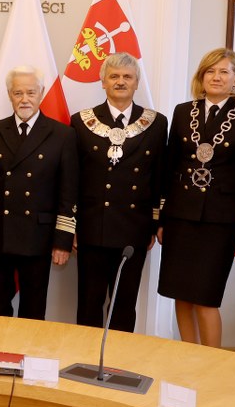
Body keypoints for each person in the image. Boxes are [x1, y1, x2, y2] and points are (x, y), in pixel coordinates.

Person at [157, 48, 235, 348]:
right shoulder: (183, 111)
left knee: (206, 298)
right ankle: (188, 356)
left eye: (224, 71)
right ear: (201, 77)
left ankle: (211, 363)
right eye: (210, 71)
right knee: (180, 294)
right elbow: (170, 168)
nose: (216, 77)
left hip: (221, 221)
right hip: (180, 216)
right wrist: (162, 220)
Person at [0, 67, 77, 320]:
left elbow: (68, 192)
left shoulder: (62, 134)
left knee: (33, 311)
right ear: (9, 95)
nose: (24, 99)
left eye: (31, 92)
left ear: (41, 93)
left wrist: (62, 241)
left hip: (38, 236)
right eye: (18, 93)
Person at [71, 51, 167, 333]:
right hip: (91, 227)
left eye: (127, 76)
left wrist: (155, 224)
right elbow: (73, 178)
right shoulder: (81, 121)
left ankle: (120, 356)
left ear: (137, 83)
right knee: (89, 302)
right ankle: (86, 355)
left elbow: (159, 177)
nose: (121, 81)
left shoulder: (156, 123)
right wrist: (71, 226)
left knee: (124, 304)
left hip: (134, 228)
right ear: (103, 82)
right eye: (114, 76)